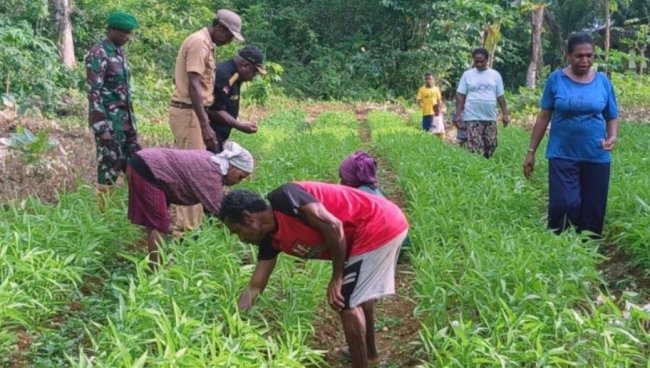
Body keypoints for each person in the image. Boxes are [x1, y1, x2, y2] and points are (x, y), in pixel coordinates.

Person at [218, 182, 409, 368]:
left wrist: (337, 277)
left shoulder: (285, 197)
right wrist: (230, 323)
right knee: (356, 293)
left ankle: (365, 359)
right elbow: (255, 287)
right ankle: (369, 354)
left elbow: (333, 226)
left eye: (237, 232)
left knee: (346, 302)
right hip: (368, 232)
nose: (242, 239)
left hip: (378, 224)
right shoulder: (269, 240)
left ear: (248, 217)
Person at [523, 32, 618, 236]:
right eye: (579, 56)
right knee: (565, 203)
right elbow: (543, 117)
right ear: (568, 55)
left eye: (589, 55)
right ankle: (561, 248)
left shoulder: (602, 82)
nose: (585, 60)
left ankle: (588, 252)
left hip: (596, 155)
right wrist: (531, 151)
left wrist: (612, 137)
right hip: (562, 154)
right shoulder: (556, 80)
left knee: (593, 208)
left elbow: (612, 115)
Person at [168, 9, 243, 233]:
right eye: (229, 36)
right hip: (190, 113)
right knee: (190, 171)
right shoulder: (199, 43)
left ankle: (193, 224)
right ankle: (186, 229)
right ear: (219, 28)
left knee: (197, 168)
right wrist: (204, 124)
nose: (229, 42)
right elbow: (193, 85)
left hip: (193, 113)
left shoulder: (206, 44)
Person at [127, 141, 254, 267]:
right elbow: (222, 212)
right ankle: (155, 271)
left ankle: (156, 262)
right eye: (240, 177)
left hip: (145, 163)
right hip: (148, 169)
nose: (239, 182)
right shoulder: (211, 174)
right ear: (231, 166)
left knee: (157, 223)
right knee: (159, 226)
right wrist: (243, 237)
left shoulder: (212, 163)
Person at [85, 11, 140, 207]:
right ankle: (103, 212)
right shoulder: (98, 53)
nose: (127, 37)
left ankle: (135, 211)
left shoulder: (118, 52)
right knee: (108, 168)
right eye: (124, 32)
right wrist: (101, 127)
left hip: (126, 123)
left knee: (136, 166)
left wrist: (132, 125)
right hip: (110, 124)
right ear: (111, 30)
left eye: (129, 33)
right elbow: (94, 93)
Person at [207, 45, 266, 152]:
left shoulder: (235, 77)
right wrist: (239, 125)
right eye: (254, 72)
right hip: (208, 137)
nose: (253, 77)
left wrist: (239, 122)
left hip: (218, 137)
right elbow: (214, 110)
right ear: (245, 65)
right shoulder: (223, 74)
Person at [454, 48, 510, 158]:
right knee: (475, 146)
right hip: (472, 116)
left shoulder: (495, 75)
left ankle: (487, 165)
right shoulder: (467, 75)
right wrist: (458, 114)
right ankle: (477, 170)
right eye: (476, 61)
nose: (479, 64)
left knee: (491, 144)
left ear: (487, 60)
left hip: (489, 116)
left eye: (482, 61)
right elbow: (460, 95)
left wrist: (505, 114)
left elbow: (500, 96)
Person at [416, 73, 443, 138]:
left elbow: (439, 101)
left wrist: (440, 111)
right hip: (426, 113)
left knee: (436, 131)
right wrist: (421, 105)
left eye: (430, 79)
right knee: (425, 131)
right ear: (425, 80)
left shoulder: (436, 89)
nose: (428, 80)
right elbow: (418, 100)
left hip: (435, 114)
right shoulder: (422, 89)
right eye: (427, 79)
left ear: (433, 79)